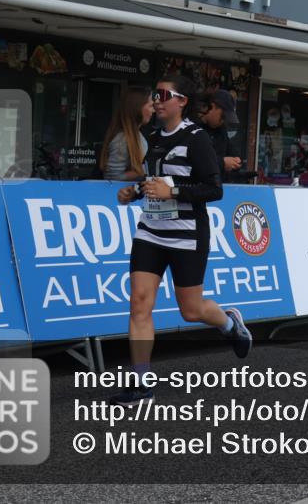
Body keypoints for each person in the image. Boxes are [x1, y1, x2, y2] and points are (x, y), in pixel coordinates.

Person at [110, 76, 252, 406]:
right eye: (154, 95)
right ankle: (141, 385)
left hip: (187, 234)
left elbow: (214, 189)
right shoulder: (152, 137)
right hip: (150, 230)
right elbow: (154, 180)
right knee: (139, 303)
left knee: (191, 310)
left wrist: (172, 191)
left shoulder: (197, 138)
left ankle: (229, 323)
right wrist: (134, 192)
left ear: (182, 101)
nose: (156, 100)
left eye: (163, 95)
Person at [100, 87, 153, 181]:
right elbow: (112, 177)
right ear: (138, 107)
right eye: (150, 106)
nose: (153, 110)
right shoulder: (122, 139)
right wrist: (142, 172)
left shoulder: (136, 134)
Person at [197, 89, 243, 181]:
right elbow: (195, 159)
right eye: (223, 116)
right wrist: (222, 163)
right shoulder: (191, 128)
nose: (223, 121)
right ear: (212, 107)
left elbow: (231, 150)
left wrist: (236, 161)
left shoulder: (221, 130)